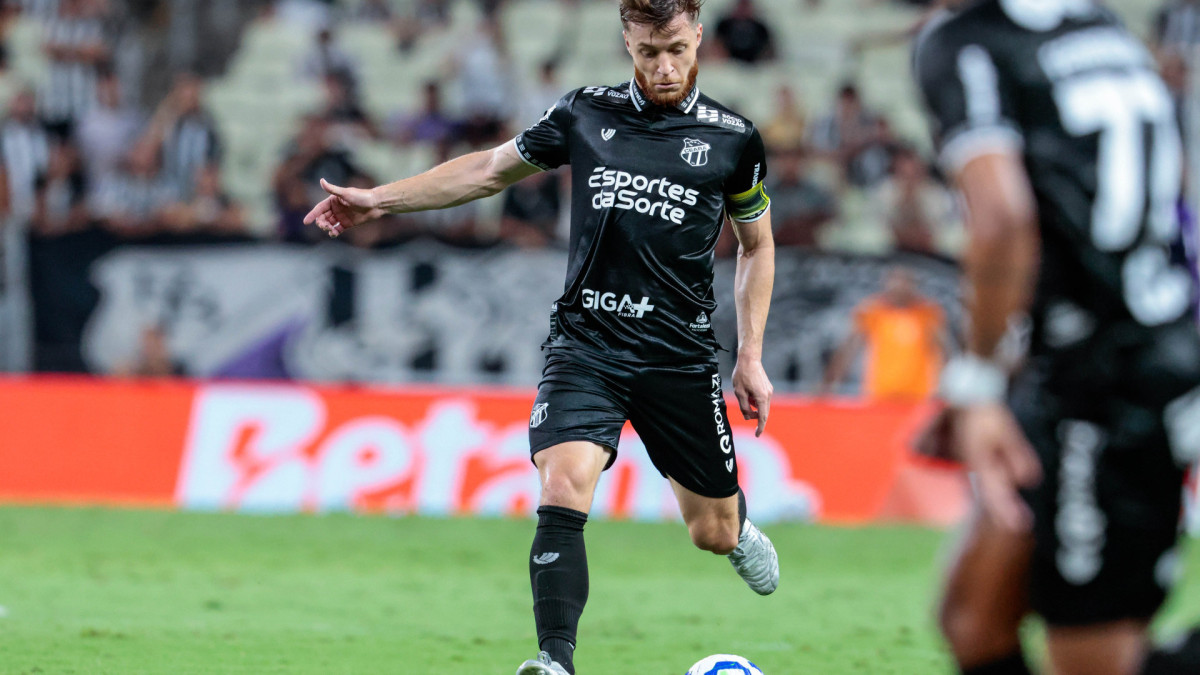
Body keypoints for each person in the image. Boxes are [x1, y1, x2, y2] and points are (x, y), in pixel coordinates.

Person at [303, 0, 780, 671]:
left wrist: (751, 355)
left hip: (678, 355)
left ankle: (737, 529)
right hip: (586, 343)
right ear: (626, 43)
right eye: (648, 52)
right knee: (563, 483)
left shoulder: (734, 139)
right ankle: (555, 660)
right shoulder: (585, 113)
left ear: (698, 34)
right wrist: (380, 198)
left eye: (675, 48)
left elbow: (757, 246)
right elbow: (490, 170)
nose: (664, 66)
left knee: (712, 528)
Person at [913, 2, 1200, 674]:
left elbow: (1006, 219)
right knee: (971, 618)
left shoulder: (967, 43)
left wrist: (978, 384)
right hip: (1098, 361)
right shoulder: (1097, 26)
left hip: (1106, 386)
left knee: (1092, 657)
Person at [822, 265, 948, 401]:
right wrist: (831, 381)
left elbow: (941, 349)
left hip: (918, 394)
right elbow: (850, 347)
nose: (900, 286)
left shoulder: (928, 313)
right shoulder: (872, 311)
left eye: (905, 281)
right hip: (880, 393)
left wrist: (943, 386)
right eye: (895, 280)